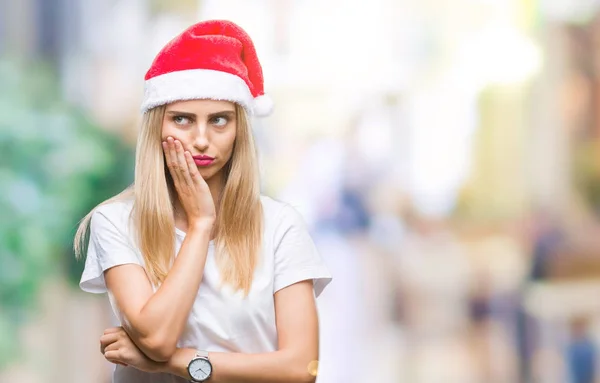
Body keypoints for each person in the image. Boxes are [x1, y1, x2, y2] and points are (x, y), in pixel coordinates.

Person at [74, 20, 332, 383]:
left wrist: (171, 363)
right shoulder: (115, 221)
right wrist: (201, 225)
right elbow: (158, 337)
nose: (200, 139)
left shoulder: (279, 225)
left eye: (219, 121)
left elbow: (301, 369)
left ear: (239, 130)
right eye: (181, 119)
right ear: (156, 128)